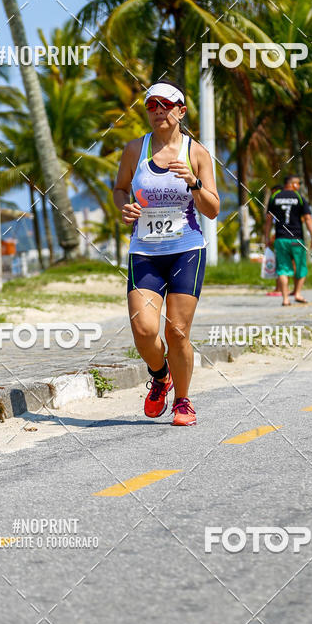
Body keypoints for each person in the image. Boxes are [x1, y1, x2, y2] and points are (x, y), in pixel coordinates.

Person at [113, 80, 219, 426]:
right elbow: (119, 189)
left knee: (177, 331)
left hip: (186, 250)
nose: (158, 110)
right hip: (145, 252)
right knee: (144, 330)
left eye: (166, 104)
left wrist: (194, 182)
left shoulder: (196, 153)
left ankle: (183, 401)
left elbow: (213, 209)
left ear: (181, 111)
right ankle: (161, 375)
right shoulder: (135, 150)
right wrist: (124, 207)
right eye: (151, 105)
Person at [264, 174, 312, 306]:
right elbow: (308, 218)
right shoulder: (299, 197)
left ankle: (285, 299)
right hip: (296, 239)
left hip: (281, 238)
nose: (298, 186)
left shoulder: (275, 197)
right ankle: (297, 293)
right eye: (298, 183)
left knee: (283, 269)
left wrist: (266, 237)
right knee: (301, 267)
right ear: (293, 184)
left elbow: (269, 219)